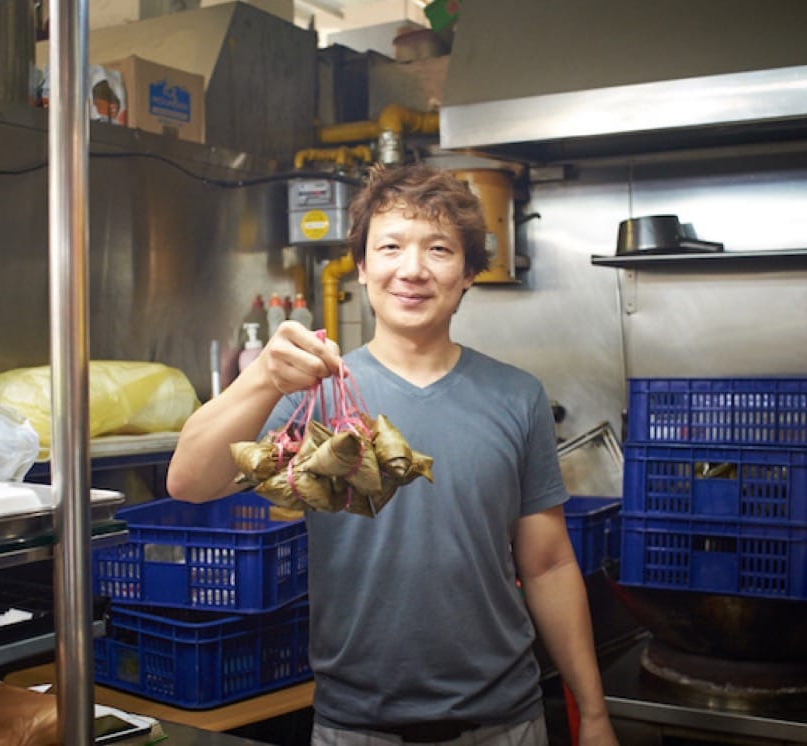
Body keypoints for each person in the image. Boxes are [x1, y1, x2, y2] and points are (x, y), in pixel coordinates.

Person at [167, 162, 618, 746]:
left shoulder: (517, 396)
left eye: (438, 249)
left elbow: (549, 564)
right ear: (361, 268)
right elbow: (189, 482)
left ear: (467, 275)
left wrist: (595, 713)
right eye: (390, 247)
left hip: (505, 721)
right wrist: (261, 383)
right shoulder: (314, 391)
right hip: (355, 724)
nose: (412, 269)